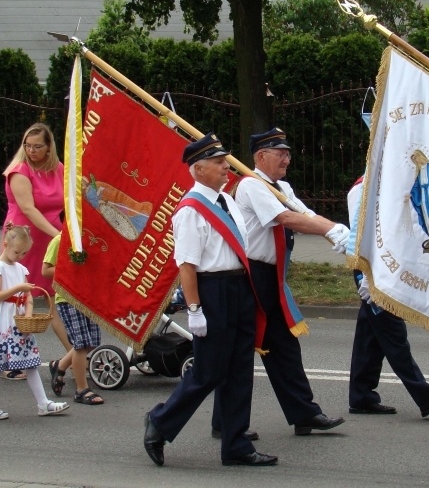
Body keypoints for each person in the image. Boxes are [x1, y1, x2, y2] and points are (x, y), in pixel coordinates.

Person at [144, 134, 277, 467]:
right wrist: (194, 310)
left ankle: (236, 445)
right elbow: (186, 265)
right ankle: (160, 423)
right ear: (198, 169)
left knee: (240, 370)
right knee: (208, 372)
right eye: (219, 163)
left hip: (239, 288)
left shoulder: (227, 201)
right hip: (212, 290)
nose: (225, 167)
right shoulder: (189, 210)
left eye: (225, 161)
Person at [223, 127, 348, 437]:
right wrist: (328, 230)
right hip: (250, 276)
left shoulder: (281, 187)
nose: (287, 159)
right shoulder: (252, 186)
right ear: (261, 156)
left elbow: (303, 212)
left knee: (282, 347)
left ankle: (304, 413)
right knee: (232, 352)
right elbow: (286, 219)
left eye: (288, 153)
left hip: (272, 277)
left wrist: (335, 229)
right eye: (281, 154)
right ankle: (222, 422)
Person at [346, 174, 429, 417]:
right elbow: (361, 237)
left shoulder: (393, 184)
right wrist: (367, 275)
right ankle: (425, 396)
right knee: (392, 332)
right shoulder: (363, 187)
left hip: (389, 269)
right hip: (372, 271)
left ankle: (362, 396)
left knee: (371, 334)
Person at [0, 223, 69, 419]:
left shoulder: (21, 269)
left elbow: (28, 297)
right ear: (5, 245)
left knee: (30, 364)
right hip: (1, 322)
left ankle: (43, 403)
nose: (20, 257)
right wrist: (17, 287)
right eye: (17, 252)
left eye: (24, 253)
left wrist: (27, 316)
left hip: (18, 323)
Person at [2, 123, 71, 380]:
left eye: (37, 146)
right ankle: (10, 359)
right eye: (27, 145)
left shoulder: (58, 169)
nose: (31, 150)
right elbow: (29, 210)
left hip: (52, 237)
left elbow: (68, 201)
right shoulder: (19, 171)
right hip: (24, 239)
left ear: (49, 146)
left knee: (56, 297)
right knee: (18, 298)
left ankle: (75, 356)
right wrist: (59, 236)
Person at [42, 230, 104, 405]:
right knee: (81, 344)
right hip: (68, 298)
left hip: (88, 297)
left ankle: (59, 366)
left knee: (92, 341)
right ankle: (81, 389)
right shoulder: (59, 240)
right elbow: (46, 270)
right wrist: (71, 264)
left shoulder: (90, 238)